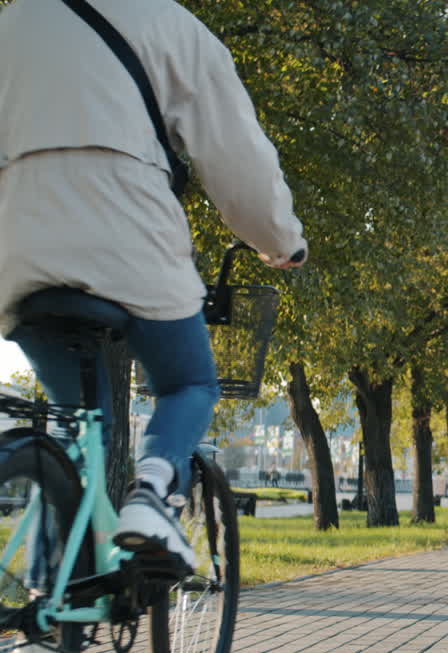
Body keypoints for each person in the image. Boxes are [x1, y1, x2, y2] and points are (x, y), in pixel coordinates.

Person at [0, 0, 306, 571]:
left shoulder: (13, 21)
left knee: (80, 430)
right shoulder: (170, 23)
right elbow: (237, 156)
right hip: (126, 232)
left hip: (20, 246)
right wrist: (279, 240)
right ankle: (152, 495)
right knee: (190, 383)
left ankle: (45, 615)